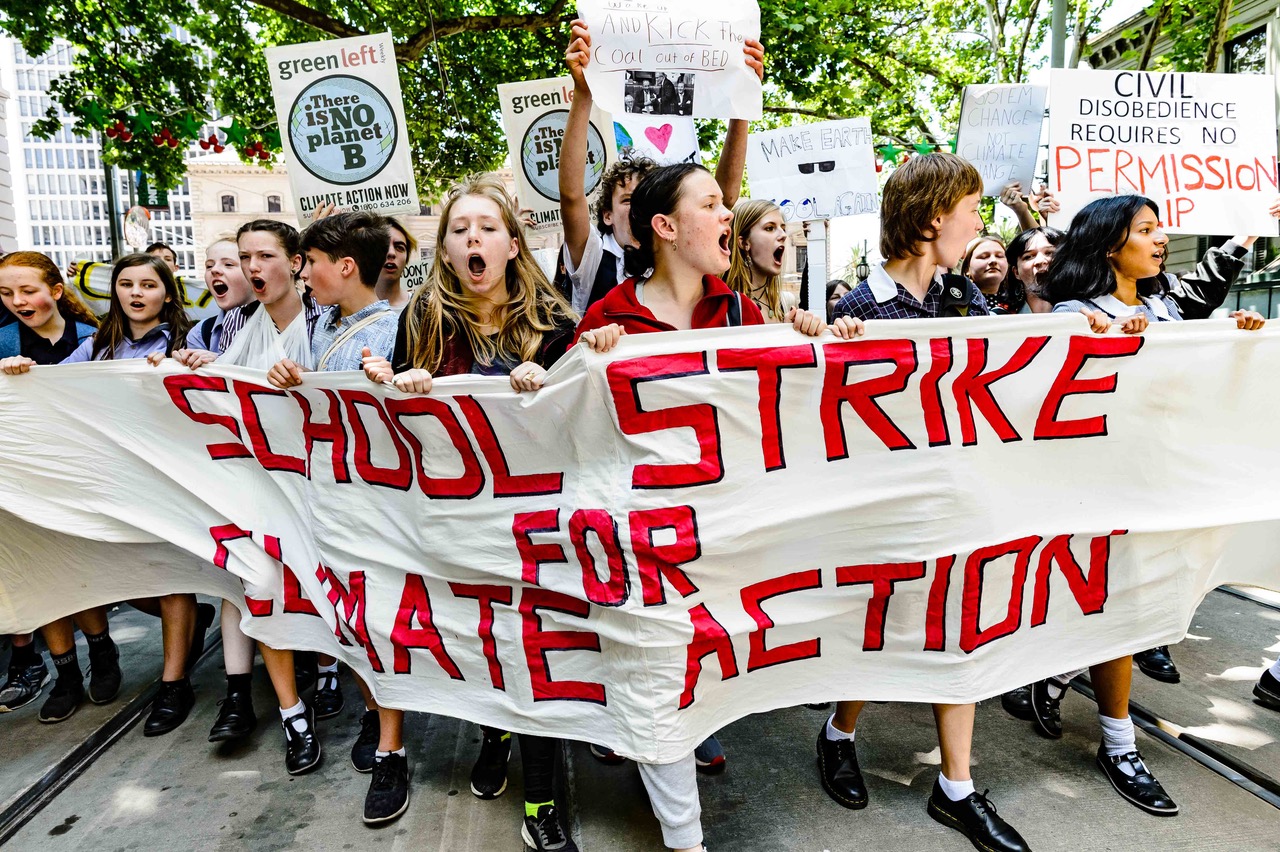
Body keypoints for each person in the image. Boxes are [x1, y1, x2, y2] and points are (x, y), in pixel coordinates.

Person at [576, 161, 852, 852]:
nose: (728, 215)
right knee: (658, 678)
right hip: (644, 542)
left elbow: (773, 406)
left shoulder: (737, 311)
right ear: (664, 227)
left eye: (728, 205)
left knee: (691, 676)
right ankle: (684, 840)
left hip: (719, 536)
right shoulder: (609, 316)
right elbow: (569, 431)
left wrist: (811, 341)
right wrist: (584, 360)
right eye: (712, 205)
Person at [362, 172, 579, 851]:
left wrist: (557, 381)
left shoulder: (558, 322)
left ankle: (542, 803)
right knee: (486, 647)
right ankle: (494, 733)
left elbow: (588, 416)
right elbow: (398, 422)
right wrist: (398, 385)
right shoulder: (420, 318)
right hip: (456, 524)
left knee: (537, 655)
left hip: (539, 524)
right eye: (461, 230)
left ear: (512, 245)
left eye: (487, 227)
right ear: (447, 251)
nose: (474, 238)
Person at [1034, 194, 1264, 816]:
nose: (1160, 239)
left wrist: (1230, 339)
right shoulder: (1074, 313)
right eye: (1146, 230)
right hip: (1103, 488)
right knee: (1122, 608)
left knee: (1136, 604)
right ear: (1111, 244)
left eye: (1160, 229)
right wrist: (1106, 346)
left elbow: (1197, 337)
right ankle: (1118, 741)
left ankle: (1051, 679)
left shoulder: (1163, 306)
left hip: (1163, 484)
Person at [829, 153, 1030, 852]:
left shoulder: (960, 300)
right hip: (883, 505)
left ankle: (956, 786)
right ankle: (839, 731)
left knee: (958, 625)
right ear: (934, 217)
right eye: (973, 209)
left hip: (953, 498)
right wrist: (831, 344)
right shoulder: (856, 309)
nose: (981, 223)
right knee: (878, 621)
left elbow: (1020, 358)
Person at [6, 254, 212, 732]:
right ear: (114, 291)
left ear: (167, 292)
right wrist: (21, 374)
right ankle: (89, 665)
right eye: (125, 284)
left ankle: (173, 683)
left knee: (170, 574)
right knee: (107, 573)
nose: (136, 293)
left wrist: (184, 368)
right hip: (104, 481)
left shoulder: (187, 340)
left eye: (148, 284)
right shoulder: (99, 344)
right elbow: (54, 386)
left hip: (163, 480)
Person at [156, 220, 324, 774]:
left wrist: (310, 380)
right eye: (244, 256)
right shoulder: (240, 329)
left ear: (297, 262)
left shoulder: (325, 323)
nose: (253, 268)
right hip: (257, 492)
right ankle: (291, 714)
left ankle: (329, 676)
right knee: (257, 583)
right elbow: (225, 392)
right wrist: (193, 370)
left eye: (266, 256)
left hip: (316, 493)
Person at [265, 210, 405, 825]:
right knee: (349, 616)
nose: (305, 274)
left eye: (312, 263)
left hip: (375, 502)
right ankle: (373, 711)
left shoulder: (395, 328)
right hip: (322, 499)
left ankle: (391, 736)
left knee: (378, 617)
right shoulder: (319, 327)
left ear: (345, 267)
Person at [559, 19, 763, 314]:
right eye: (628, 200)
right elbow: (572, 195)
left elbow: (724, 196)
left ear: (664, 223)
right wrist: (584, 93)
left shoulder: (680, 261)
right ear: (606, 216)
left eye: (647, 198)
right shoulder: (593, 257)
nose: (639, 207)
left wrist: (741, 102)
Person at [0, 252, 101, 713]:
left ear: (56, 291)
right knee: (43, 574)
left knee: (82, 571)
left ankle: (102, 653)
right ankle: (65, 674)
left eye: (27, 290)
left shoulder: (94, 339)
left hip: (81, 476)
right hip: (23, 480)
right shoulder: (1, 341)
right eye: (5, 293)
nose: (17, 300)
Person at [723, 198, 797, 321]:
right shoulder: (723, 306)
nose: (783, 235)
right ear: (744, 243)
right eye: (770, 228)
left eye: (783, 228)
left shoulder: (787, 303)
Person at [187, 237, 254, 352]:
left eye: (228, 264)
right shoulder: (200, 333)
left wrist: (217, 361)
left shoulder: (280, 324)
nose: (214, 270)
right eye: (209, 266)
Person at [959, 235, 1008, 310]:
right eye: (984, 257)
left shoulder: (1018, 302)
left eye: (999, 256)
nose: (993, 260)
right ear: (967, 269)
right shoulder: (957, 302)